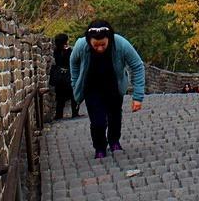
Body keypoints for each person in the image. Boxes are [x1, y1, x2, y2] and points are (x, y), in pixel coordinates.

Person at [70, 20, 145, 159]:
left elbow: (137, 65)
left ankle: (114, 140)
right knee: (98, 121)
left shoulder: (120, 44)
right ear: (89, 41)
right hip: (91, 87)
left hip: (113, 86)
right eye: (96, 45)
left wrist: (138, 96)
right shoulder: (81, 45)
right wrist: (75, 84)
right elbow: (73, 62)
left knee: (114, 116)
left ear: (109, 39)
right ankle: (99, 147)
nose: (99, 48)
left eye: (103, 44)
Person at [50, 33, 79, 120]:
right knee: (73, 95)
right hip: (68, 74)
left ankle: (59, 114)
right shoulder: (69, 51)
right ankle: (75, 113)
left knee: (59, 97)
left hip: (59, 76)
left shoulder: (56, 51)